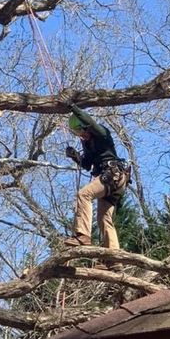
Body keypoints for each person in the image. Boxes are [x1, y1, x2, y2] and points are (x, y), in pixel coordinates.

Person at [63, 104, 130, 249]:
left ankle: (83, 235)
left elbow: (90, 121)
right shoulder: (88, 144)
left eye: (81, 130)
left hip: (113, 175)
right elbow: (87, 164)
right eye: (77, 133)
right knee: (104, 218)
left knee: (83, 194)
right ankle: (113, 260)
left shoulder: (101, 133)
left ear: (86, 127)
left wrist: (72, 106)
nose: (81, 135)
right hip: (113, 180)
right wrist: (75, 156)